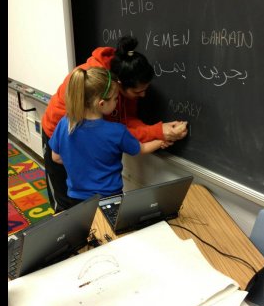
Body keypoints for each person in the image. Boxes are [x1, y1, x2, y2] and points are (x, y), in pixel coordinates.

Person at [41, 35, 188, 212]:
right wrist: (159, 134)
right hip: (105, 192)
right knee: (63, 207)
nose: (143, 96)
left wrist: (157, 132)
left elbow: (58, 156)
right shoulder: (95, 91)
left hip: (78, 192)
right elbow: (127, 138)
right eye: (137, 92)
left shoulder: (102, 102)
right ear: (117, 88)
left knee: (75, 218)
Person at [48, 68, 169, 204]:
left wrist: (79, 163)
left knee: (87, 226)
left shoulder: (65, 123)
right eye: (115, 99)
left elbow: (56, 157)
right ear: (101, 104)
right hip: (110, 198)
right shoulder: (117, 131)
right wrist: (161, 141)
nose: (117, 102)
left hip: (76, 199)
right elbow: (141, 149)